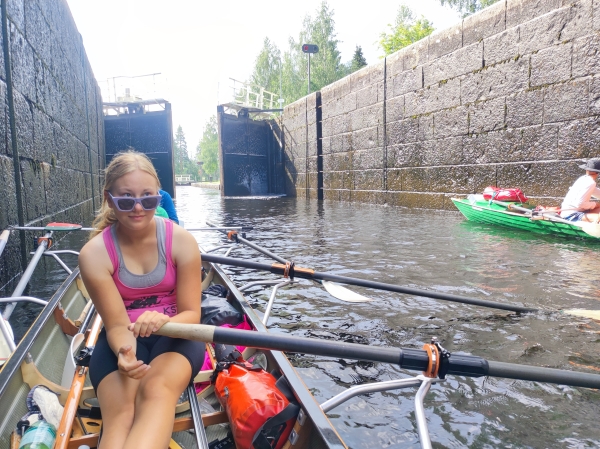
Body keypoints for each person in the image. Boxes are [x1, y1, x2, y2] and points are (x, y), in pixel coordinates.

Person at [78, 151, 204, 449]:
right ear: (109, 199)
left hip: (178, 335)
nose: (138, 208)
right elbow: (117, 324)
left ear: (158, 198)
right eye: (126, 199)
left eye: (148, 199)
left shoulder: (182, 241)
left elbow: (192, 314)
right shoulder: (94, 254)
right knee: (121, 413)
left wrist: (165, 322)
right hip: (121, 340)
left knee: (155, 390)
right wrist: (125, 352)